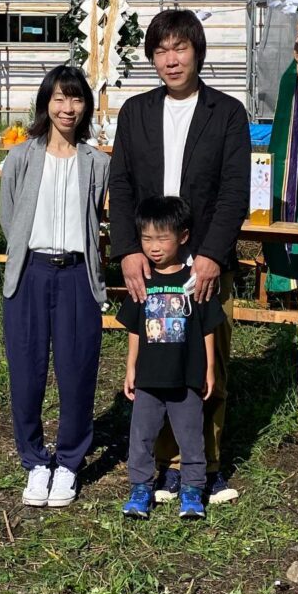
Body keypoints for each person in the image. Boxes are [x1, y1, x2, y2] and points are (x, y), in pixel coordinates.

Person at [109, 8, 251, 504]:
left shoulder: (226, 113)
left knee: (208, 364)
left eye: (180, 48)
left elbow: (234, 192)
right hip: (153, 263)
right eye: (161, 51)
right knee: (158, 360)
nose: (171, 60)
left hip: (204, 262)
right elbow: (121, 186)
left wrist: (211, 253)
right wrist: (128, 251)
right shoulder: (136, 113)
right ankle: (165, 466)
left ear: (197, 52)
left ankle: (205, 466)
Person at [0, 65, 111, 508]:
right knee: (26, 371)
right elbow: (10, 218)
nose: (68, 107)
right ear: (46, 103)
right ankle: (34, 460)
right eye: (59, 98)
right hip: (30, 272)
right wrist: (27, 256)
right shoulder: (21, 157)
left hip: (78, 276)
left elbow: (99, 218)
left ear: (86, 106)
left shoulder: (97, 163)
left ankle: (67, 462)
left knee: (77, 369)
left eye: (76, 98)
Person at [118, 196, 224, 520]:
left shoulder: (195, 281)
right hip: (148, 378)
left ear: (183, 236)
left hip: (186, 376)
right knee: (141, 436)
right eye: (147, 238)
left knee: (191, 435)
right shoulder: (142, 281)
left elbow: (208, 328)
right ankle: (140, 488)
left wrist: (208, 369)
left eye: (162, 238)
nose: (154, 247)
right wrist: (130, 367)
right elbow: (135, 330)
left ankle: (192, 490)